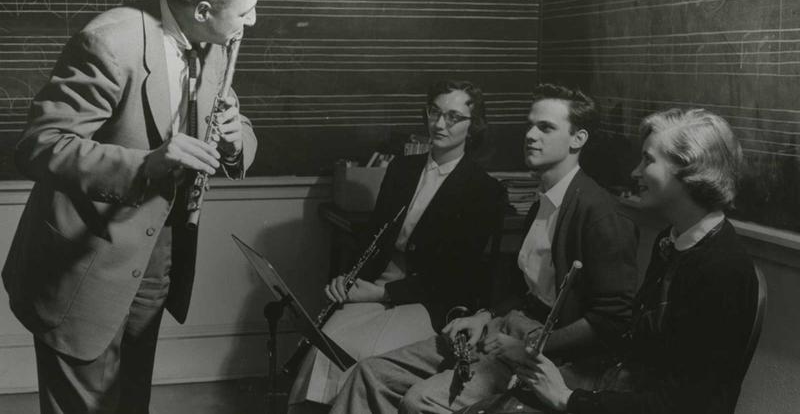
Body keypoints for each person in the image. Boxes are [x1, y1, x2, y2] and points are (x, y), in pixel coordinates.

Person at [2, 0, 259, 412]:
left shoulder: (217, 41)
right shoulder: (109, 41)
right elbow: (39, 144)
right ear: (202, 10)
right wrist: (148, 164)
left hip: (155, 259)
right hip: (85, 266)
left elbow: (231, 114)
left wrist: (238, 140)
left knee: (130, 399)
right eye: (245, 11)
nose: (251, 21)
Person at [328, 83, 639, 414]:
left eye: (546, 127)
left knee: (420, 400)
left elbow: (611, 320)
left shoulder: (601, 213)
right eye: (530, 125)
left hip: (551, 352)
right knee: (370, 373)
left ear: (579, 139)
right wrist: (484, 316)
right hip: (507, 327)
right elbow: (526, 291)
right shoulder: (544, 204)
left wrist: (529, 345)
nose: (531, 135)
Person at [505, 108, 758, 414]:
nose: (635, 173)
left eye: (648, 160)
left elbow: (687, 404)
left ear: (690, 169)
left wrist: (567, 397)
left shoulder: (723, 268)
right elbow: (639, 352)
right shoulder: (673, 239)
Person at [287, 80, 507, 414]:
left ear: (473, 128)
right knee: (324, 346)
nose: (440, 123)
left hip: (428, 300)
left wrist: (379, 294)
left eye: (453, 117)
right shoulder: (402, 169)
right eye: (434, 112)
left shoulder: (483, 189)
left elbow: (453, 279)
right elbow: (375, 238)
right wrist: (348, 279)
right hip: (380, 284)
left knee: (362, 357)